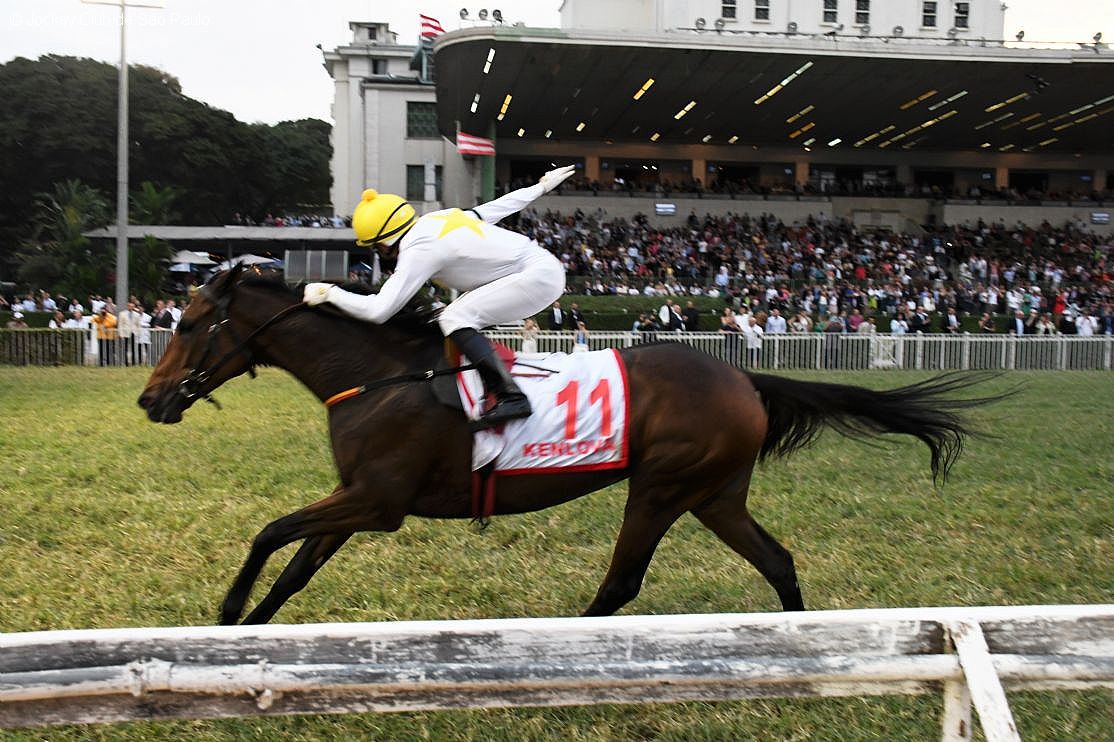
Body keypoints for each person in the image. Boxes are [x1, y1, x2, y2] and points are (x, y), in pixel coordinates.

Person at [304, 165, 574, 430]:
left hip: (537, 277)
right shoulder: (436, 219)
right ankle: (475, 385)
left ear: (384, 243)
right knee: (449, 316)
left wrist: (331, 293)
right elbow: (497, 207)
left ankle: (511, 396)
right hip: (539, 268)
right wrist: (540, 187)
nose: (380, 253)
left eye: (376, 247)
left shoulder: (418, 250)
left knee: (455, 316)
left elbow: (378, 311)